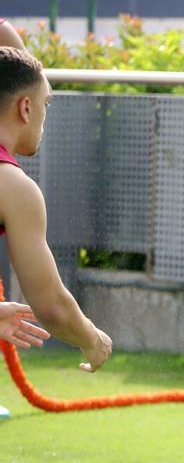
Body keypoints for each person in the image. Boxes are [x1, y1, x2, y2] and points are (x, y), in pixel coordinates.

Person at [0, 43, 112, 389]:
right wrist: (92, 339)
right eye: (46, 104)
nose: (45, 116)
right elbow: (51, 307)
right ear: (26, 107)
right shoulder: (13, 186)